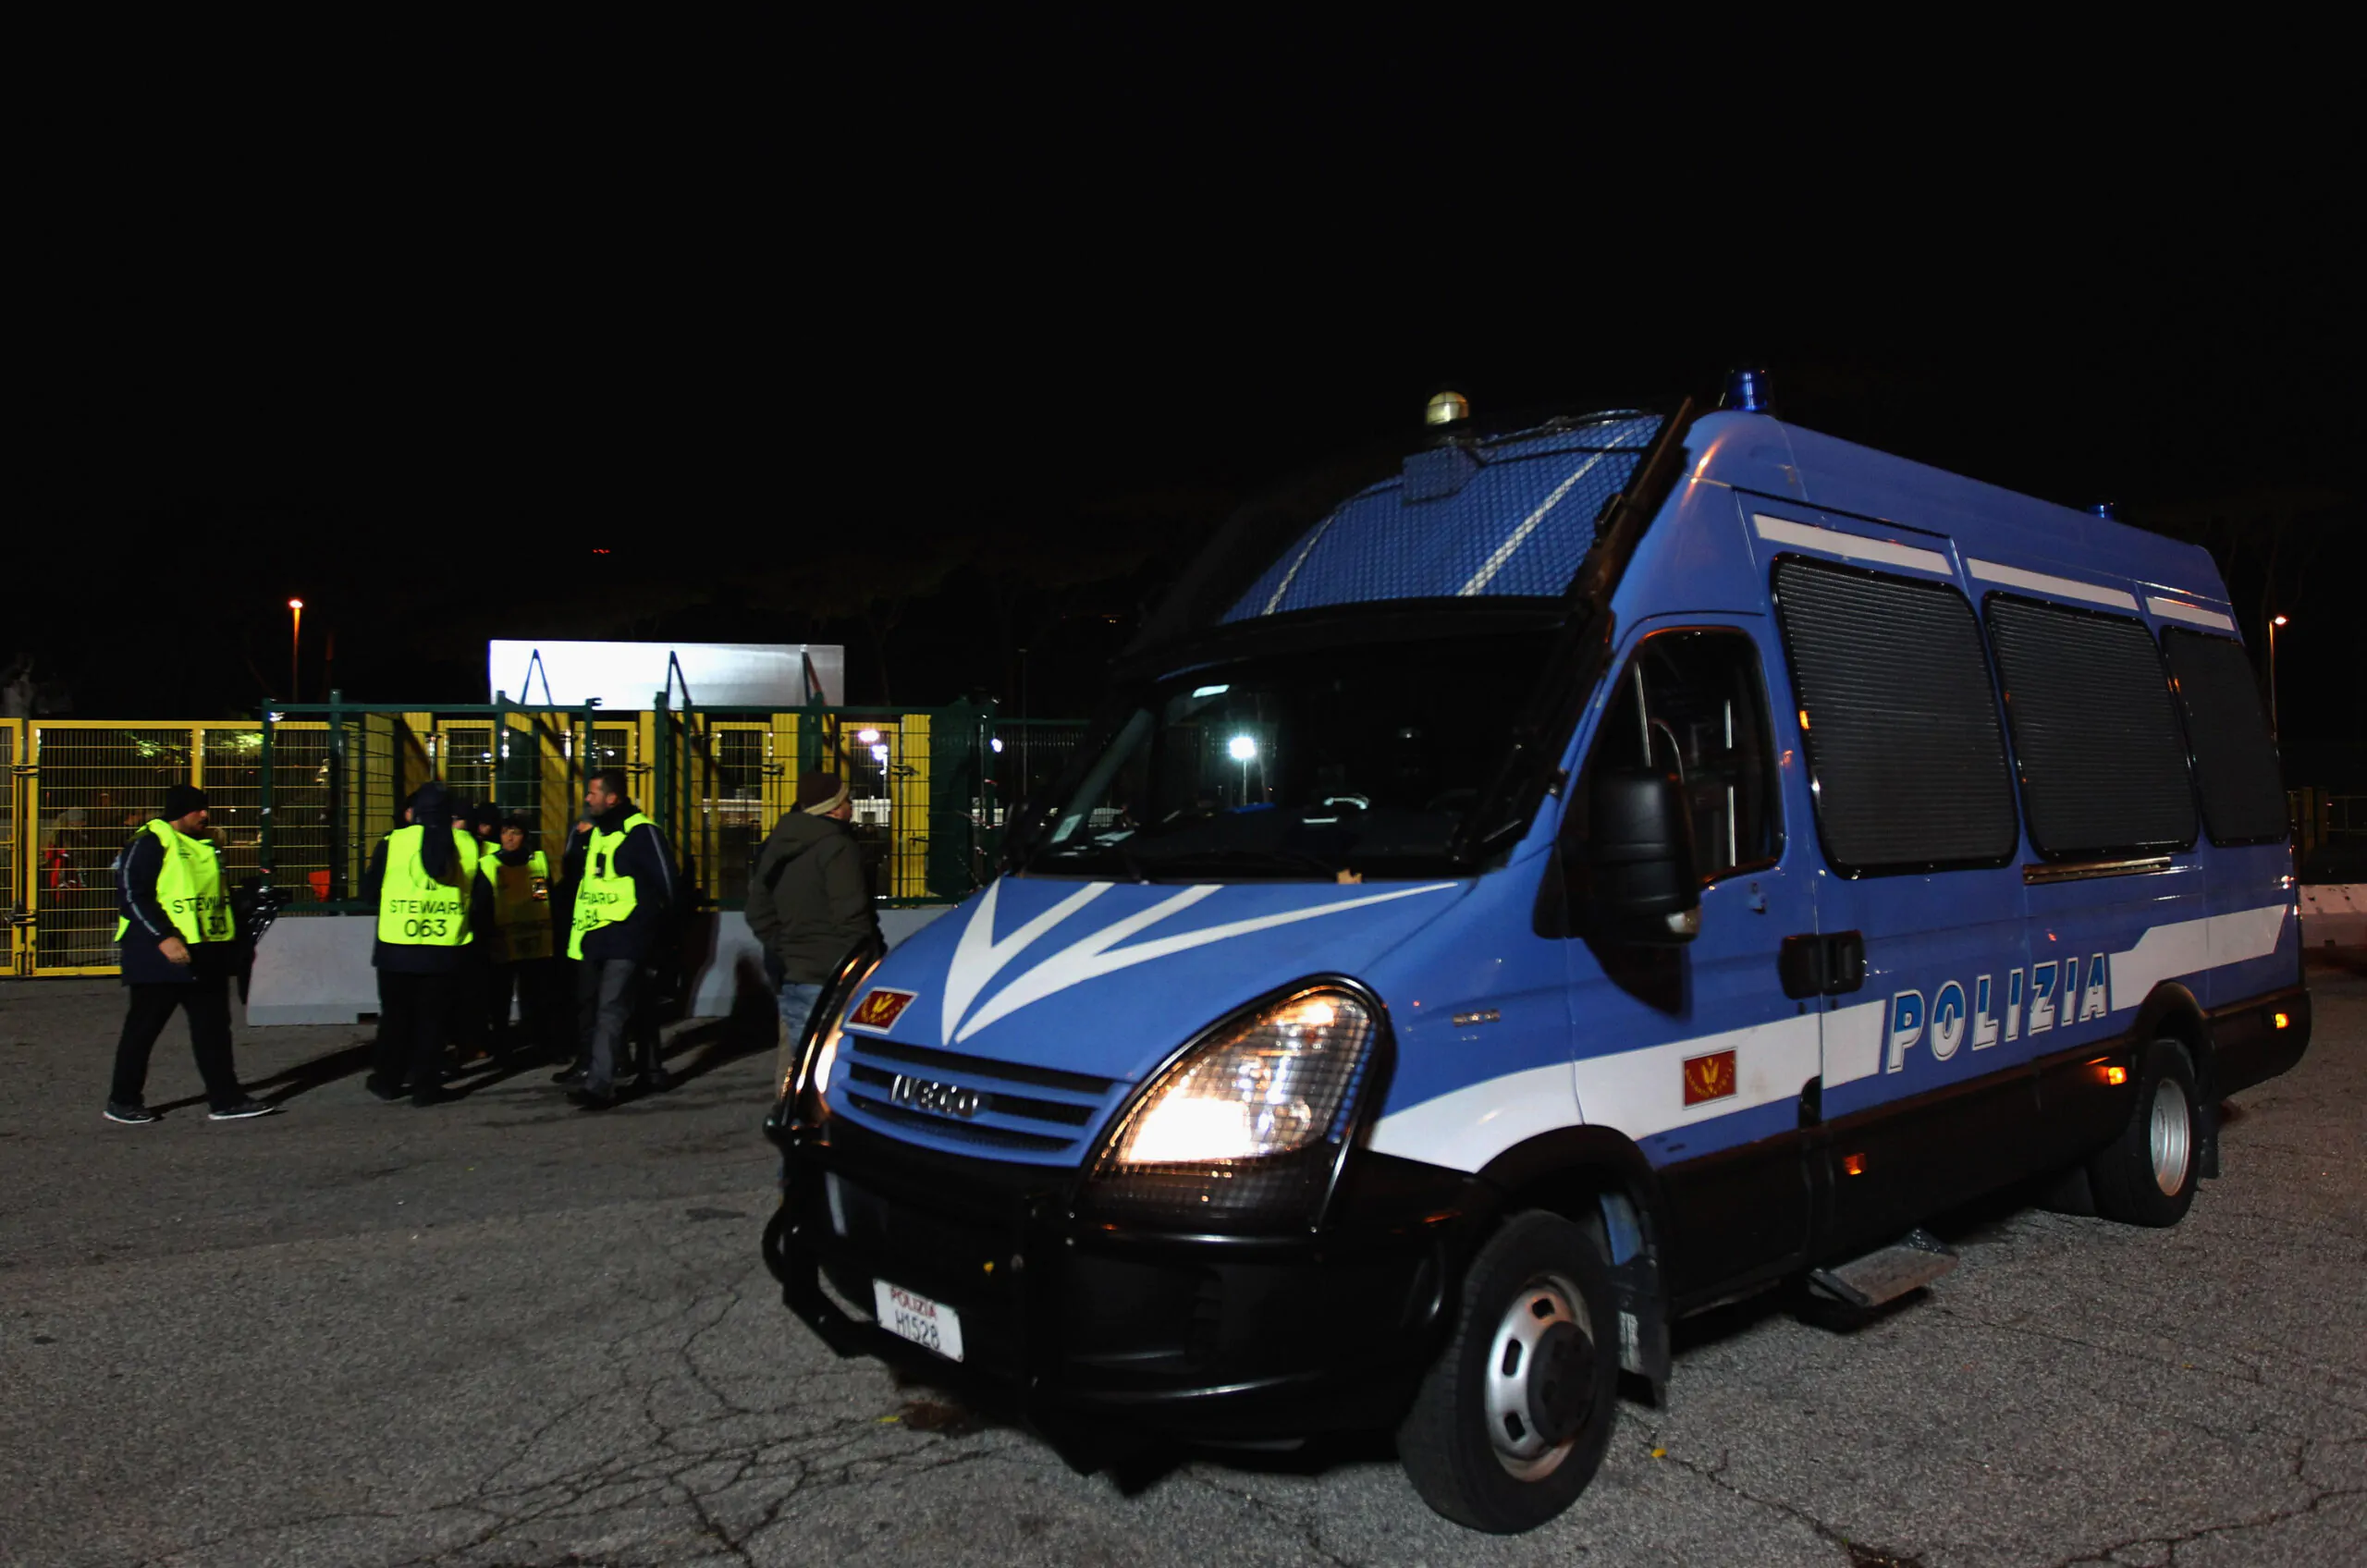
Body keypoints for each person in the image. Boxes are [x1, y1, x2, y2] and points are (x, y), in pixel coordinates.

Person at [104, 784, 277, 1123]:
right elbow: (133, 895)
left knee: (213, 1029)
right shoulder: (150, 843)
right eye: (198, 809)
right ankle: (122, 1100)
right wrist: (163, 937)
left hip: (203, 953)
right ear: (181, 811)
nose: (205, 815)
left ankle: (226, 1099)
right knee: (143, 1028)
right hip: (158, 955)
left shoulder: (203, 847)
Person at [362, 782, 492, 1107]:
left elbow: (369, 892)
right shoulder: (468, 844)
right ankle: (426, 1087)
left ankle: (388, 1081)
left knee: (395, 1018)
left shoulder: (394, 842)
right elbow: (482, 899)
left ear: (416, 812)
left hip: (396, 949)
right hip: (445, 950)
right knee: (433, 1022)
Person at [747, 771, 878, 1089]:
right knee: (839, 1063)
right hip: (835, 973)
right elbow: (852, 914)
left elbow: (757, 909)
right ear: (832, 808)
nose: (850, 805)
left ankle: (791, 1119)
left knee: (797, 1059)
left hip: (794, 972)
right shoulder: (837, 846)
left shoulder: (778, 842)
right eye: (846, 800)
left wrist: (786, 947)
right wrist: (867, 959)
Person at [561, 768, 676, 1109]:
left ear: (612, 798)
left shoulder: (642, 832)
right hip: (601, 936)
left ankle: (598, 1086)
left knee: (609, 1009)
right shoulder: (598, 833)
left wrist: (662, 935)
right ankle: (651, 1071)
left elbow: (668, 885)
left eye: (593, 793)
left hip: (629, 936)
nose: (587, 798)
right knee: (636, 1005)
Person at [479, 812, 557, 1061]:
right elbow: (484, 904)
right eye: (505, 833)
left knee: (536, 998)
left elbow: (542, 898)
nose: (509, 838)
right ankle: (503, 1048)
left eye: (515, 833)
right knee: (499, 1000)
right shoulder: (489, 865)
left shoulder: (537, 863)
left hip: (536, 942)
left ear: (525, 836)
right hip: (503, 941)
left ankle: (540, 1044)